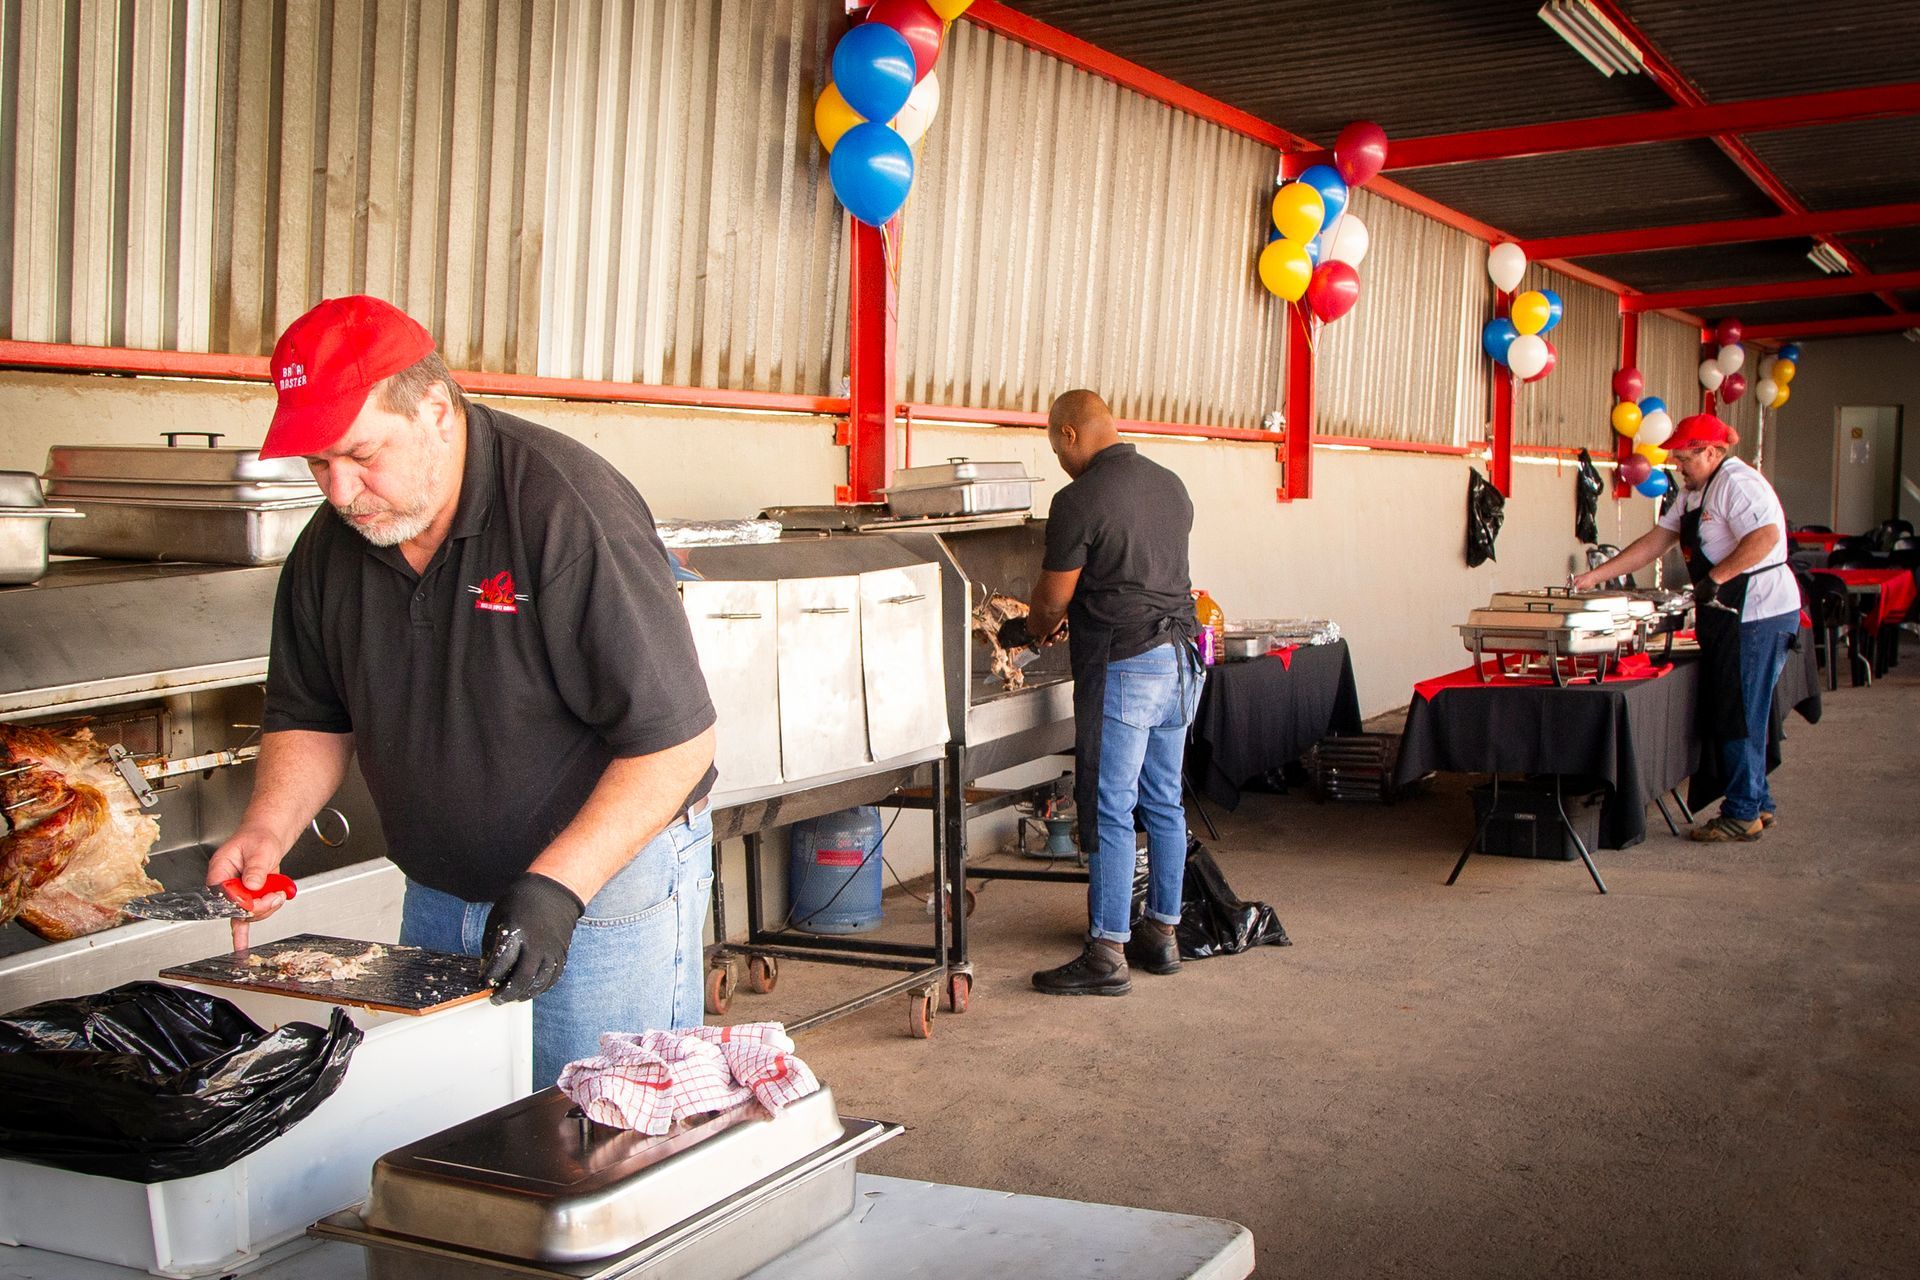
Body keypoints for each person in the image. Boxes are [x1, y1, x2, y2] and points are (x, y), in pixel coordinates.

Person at [208, 295, 718, 1086]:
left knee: (601, 1124)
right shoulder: (330, 548)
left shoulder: (564, 512)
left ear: (437, 411)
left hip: (600, 890)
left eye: (361, 455)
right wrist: (268, 830)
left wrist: (557, 889)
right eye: (317, 464)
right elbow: (311, 713)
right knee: (451, 1129)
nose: (340, 491)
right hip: (440, 893)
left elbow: (675, 742)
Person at [999, 390, 1203, 995]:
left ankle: (1108, 952)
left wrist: (1029, 632)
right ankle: (1162, 936)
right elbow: (1136, 571)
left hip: (1129, 666)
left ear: (1069, 434)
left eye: (1054, 445)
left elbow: (1052, 598)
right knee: (1164, 801)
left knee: (1112, 809)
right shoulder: (1172, 485)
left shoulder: (1078, 499)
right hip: (1181, 661)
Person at [1573, 413, 1795, 841]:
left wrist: (1717, 578)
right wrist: (1595, 578)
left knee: (1742, 712)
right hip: (1728, 614)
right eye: (1674, 457)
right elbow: (1658, 540)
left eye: (1685, 457)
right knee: (1738, 708)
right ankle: (1757, 800)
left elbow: (1765, 536)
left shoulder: (1737, 484)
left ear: (1712, 452)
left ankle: (1743, 812)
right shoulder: (1695, 491)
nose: (1677, 465)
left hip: (1758, 613)